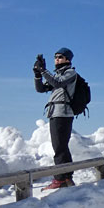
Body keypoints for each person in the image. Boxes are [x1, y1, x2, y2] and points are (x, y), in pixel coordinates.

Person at [34, 47, 78, 189]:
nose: (57, 59)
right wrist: (37, 75)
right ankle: (65, 177)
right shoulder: (57, 75)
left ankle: (61, 179)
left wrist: (43, 71)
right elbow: (40, 89)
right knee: (60, 146)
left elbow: (57, 83)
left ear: (67, 59)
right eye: (55, 57)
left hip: (63, 113)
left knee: (59, 146)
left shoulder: (70, 73)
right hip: (56, 113)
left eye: (60, 57)